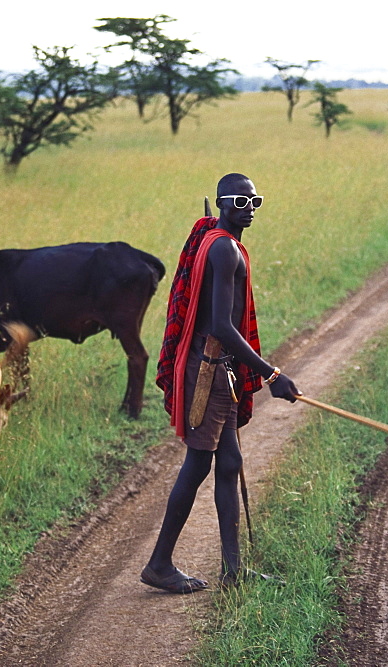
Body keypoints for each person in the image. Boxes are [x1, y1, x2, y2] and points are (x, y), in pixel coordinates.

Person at [142, 173, 299, 594]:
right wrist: (271, 375)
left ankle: (233, 570)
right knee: (198, 464)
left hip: (219, 368)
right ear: (223, 203)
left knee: (228, 464)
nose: (250, 209)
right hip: (209, 367)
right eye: (242, 202)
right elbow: (222, 326)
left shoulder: (215, 241)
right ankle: (159, 564)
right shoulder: (224, 249)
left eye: (256, 201)